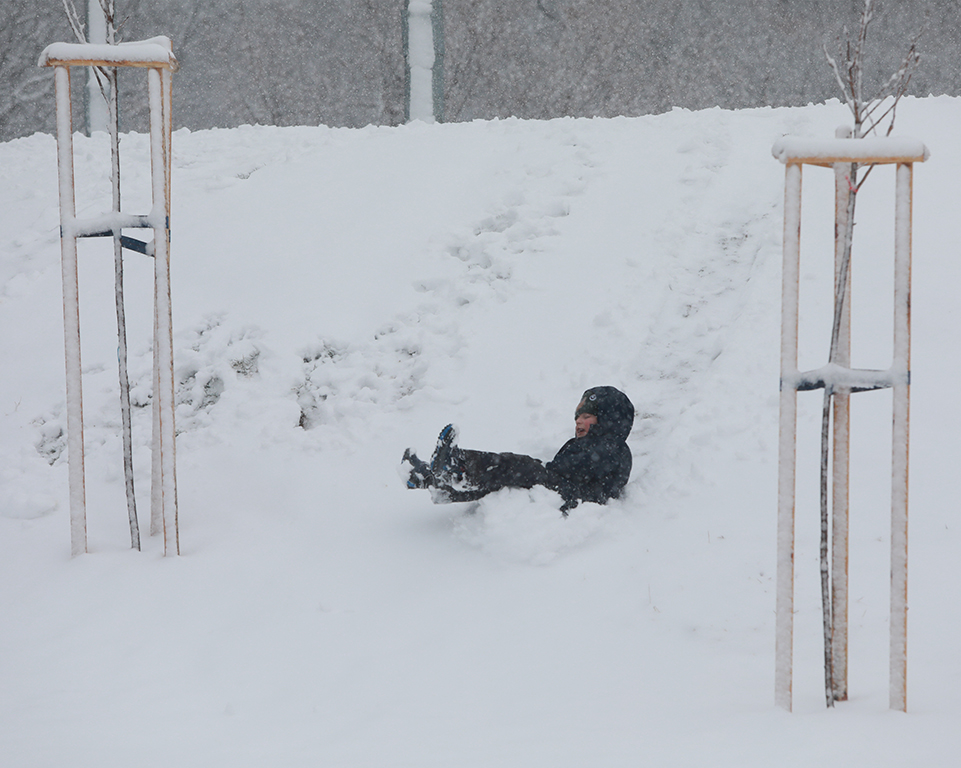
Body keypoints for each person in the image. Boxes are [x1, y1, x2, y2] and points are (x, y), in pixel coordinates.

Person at [401, 386, 634, 514]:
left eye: (586, 416)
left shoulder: (612, 448)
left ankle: (458, 467)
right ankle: (436, 481)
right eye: (577, 417)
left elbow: (573, 470)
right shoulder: (599, 445)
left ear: (608, 420)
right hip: (571, 493)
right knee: (502, 481)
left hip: (579, 500)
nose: (578, 422)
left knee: (518, 466)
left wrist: (546, 471)